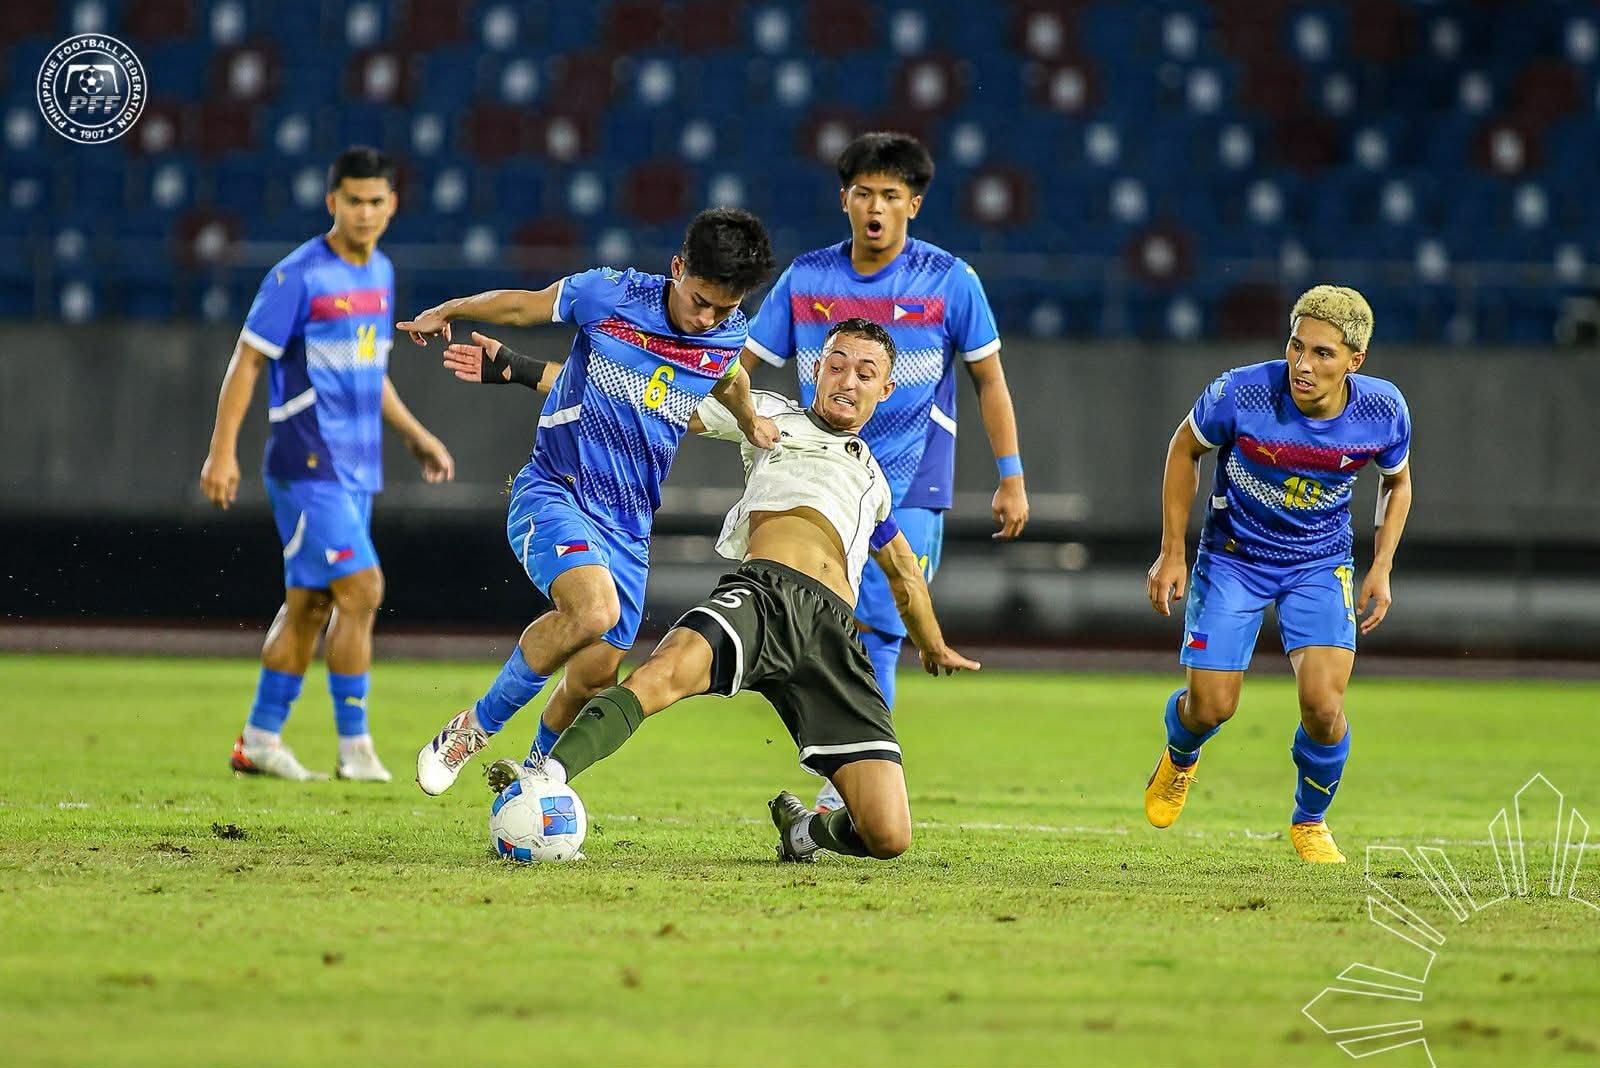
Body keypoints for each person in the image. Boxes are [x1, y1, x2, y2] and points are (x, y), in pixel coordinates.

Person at [488, 318, 979, 861]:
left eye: (866, 373)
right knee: (661, 674)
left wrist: (932, 645)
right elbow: (654, 396)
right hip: (765, 595)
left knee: (888, 836)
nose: (847, 380)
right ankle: (545, 777)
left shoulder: (874, 482)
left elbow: (906, 573)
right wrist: (521, 369)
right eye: (837, 364)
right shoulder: (766, 414)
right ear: (816, 368)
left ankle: (803, 833)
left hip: (834, 635)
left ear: (886, 389)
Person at [397, 208, 778, 795]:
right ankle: (470, 730)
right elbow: (526, 304)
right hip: (555, 491)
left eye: (724, 309)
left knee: (595, 676)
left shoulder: (724, 334)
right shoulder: (610, 295)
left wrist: (750, 421)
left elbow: (731, 377)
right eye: (701, 300)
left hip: (629, 527)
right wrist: (451, 309)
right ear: (677, 269)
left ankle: (530, 783)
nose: (708, 319)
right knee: (592, 610)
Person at [738, 131, 1028, 812]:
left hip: (911, 483)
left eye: (890, 195)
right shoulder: (807, 278)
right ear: (844, 200)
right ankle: (841, 772)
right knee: (810, 630)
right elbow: (742, 370)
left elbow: (990, 381)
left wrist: (1011, 475)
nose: (876, 207)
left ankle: (845, 796)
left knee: (881, 633)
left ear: (914, 204)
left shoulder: (950, 281)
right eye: (864, 192)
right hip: (820, 484)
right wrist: (741, 426)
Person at [200, 146, 455, 783]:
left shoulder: (381, 273)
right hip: (304, 462)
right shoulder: (298, 277)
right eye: (353, 201)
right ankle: (356, 748)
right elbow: (248, 361)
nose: (364, 213)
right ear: (331, 202)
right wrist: (222, 450)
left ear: (392, 205)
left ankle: (258, 739)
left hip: (356, 467)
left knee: (311, 605)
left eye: (376, 201)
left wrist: (416, 436)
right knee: (363, 589)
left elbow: (372, 373)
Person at [1143, 285, 1413, 863]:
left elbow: (1398, 482)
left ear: (1354, 362)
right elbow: (1182, 450)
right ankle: (1181, 753)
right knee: (1211, 707)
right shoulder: (1241, 392)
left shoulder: (1382, 410)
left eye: (1323, 354)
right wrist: (1172, 551)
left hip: (1319, 564)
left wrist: (1382, 565)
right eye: (1296, 347)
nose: (1303, 365)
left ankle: (1309, 820)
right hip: (1233, 558)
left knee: (1323, 704)